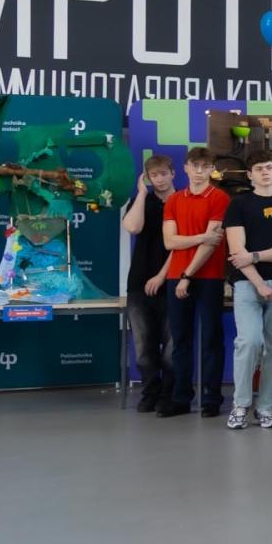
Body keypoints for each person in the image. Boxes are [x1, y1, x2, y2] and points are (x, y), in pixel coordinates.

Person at [222, 152, 272, 430]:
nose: (265, 172)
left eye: (269, 167)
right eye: (259, 169)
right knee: (249, 342)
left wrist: (256, 256)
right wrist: (259, 283)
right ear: (250, 175)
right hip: (247, 283)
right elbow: (237, 251)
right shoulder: (238, 205)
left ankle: (266, 408)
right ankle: (240, 405)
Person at [158, 147, 231, 418]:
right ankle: (181, 398)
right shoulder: (174, 200)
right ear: (186, 168)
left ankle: (212, 399)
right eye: (195, 166)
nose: (199, 172)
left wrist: (187, 275)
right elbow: (170, 242)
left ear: (211, 169)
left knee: (211, 338)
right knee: (180, 340)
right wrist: (200, 237)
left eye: (205, 167)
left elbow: (212, 245)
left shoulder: (220, 198)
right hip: (176, 276)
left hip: (208, 277)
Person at [120, 154, 176, 412]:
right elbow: (132, 227)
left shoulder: (182, 201)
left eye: (163, 174)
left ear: (173, 173)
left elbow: (182, 247)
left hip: (173, 282)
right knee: (143, 346)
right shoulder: (141, 201)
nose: (160, 179)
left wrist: (162, 275)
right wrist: (142, 194)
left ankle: (169, 393)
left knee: (172, 347)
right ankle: (150, 391)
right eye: (154, 175)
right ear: (147, 178)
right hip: (139, 282)